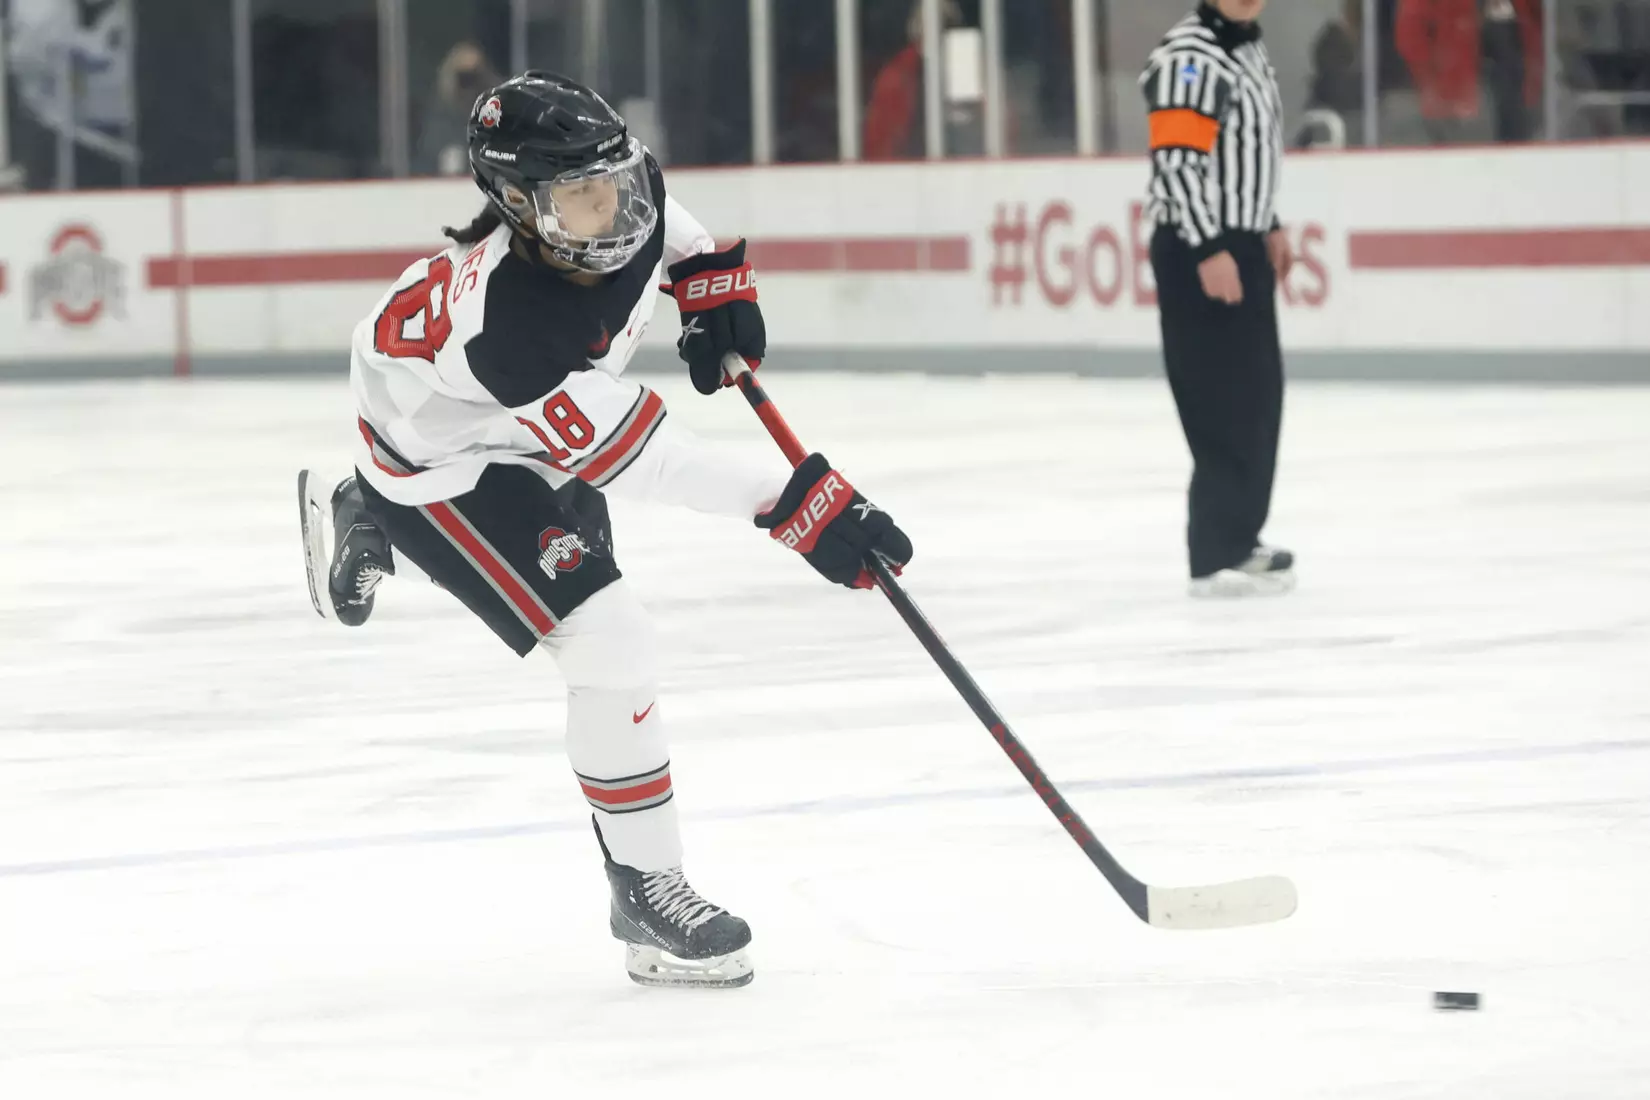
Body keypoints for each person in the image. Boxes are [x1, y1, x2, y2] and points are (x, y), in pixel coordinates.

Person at [295, 72, 914, 988]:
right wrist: (801, 506)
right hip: (444, 460)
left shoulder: (616, 189)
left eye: (613, 179)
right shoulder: (509, 330)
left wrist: (708, 283)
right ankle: (646, 889)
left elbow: (669, 219)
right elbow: (652, 458)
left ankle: (641, 903)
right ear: (517, 205)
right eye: (580, 197)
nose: (612, 209)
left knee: (605, 643)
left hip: (525, 432)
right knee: (608, 637)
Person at [1139, 0, 1295, 598]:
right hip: (1201, 245)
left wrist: (1269, 222)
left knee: (1256, 396)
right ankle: (1215, 548)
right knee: (1221, 398)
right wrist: (1208, 248)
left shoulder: (1248, 46)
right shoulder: (1191, 54)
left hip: (1241, 240)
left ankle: (1240, 536)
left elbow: (1245, 154)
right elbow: (1178, 164)